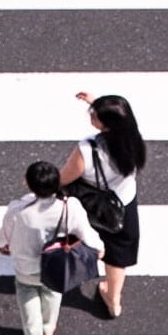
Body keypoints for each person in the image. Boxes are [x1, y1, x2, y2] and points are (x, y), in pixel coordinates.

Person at [0, 158, 98, 335]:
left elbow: (4, 239)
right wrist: (99, 249)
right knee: (53, 292)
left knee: (27, 293)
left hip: (26, 266)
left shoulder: (17, 209)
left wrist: (4, 246)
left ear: (28, 183)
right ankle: (47, 329)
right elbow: (86, 234)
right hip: (57, 265)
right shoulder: (70, 206)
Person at [56, 90, 146, 318]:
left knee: (75, 238)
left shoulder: (87, 149)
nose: (91, 117)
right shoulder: (133, 141)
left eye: (94, 115)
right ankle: (113, 299)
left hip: (90, 204)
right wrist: (96, 103)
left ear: (105, 124)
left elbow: (65, 178)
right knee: (117, 255)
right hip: (122, 204)